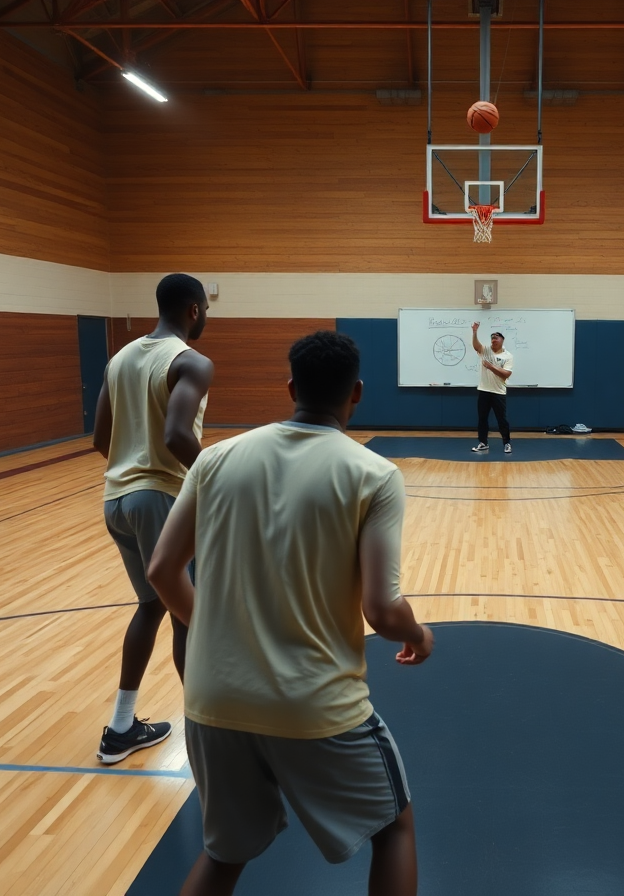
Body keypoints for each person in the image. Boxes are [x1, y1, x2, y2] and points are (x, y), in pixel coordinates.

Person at [148, 330, 433, 896]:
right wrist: (420, 635)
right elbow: (381, 608)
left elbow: (161, 571)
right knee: (394, 830)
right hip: (314, 704)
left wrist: (212, 634)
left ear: (289, 387)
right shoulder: (373, 474)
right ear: (356, 393)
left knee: (224, 854)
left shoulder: (215, 460)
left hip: (213, 700)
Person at [92, 273, 213, 764]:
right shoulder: (192, 362)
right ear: (194, 310)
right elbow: (177, 435)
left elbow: (100, 438)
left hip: (116, 500)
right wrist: (217, 480)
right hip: (160, 496)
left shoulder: (119, 358)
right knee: (188, 615)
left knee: (151, 606)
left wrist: (130, 471)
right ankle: (210, 734)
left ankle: (121, 727)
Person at [470, 321, 514, 453]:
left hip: (498, 392)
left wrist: (490, 366)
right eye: (492, 337)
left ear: (502, 340)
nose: (493, 339)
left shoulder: (508, 356)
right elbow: (476, 346)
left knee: (502, 420)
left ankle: (507, 443)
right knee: (482, 419)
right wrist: (474, 332)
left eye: (496, 337)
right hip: (484, 390)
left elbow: (506, 374)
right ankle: (483, 443)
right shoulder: (486, 350)